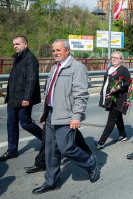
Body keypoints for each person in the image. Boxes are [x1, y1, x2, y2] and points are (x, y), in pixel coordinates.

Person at [33, 39, 98, 195]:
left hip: (66, 116)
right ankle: (52, 182)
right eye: (54, 51)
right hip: (50, 115)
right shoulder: (54, 68)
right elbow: (48, 93)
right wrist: (43, 113)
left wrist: (76, 116)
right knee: (50, 151)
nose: (55, 53)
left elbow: (81, 95)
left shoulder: (77, 68)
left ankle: (91, 162)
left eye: (58, 50)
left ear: (67, 50)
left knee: (66, 148)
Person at [0, 36, 43, 162]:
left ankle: (49, 140)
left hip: (23, 98)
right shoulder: (17, 58)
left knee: (26, 123)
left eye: (17, 44)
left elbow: (31, 80)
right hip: (13, 98)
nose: (15, 46)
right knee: (11, 125)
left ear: (25, 44)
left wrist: (27, 97)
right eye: (14, 44)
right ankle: (11, 151)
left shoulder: (31, 59)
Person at [95, 51, 131, 148]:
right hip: (111, 97)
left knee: (112, 118)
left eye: (116, 58)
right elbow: (106, 82)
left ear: (121, 60)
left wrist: (119, 87)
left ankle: (101, 141)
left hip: (119, 98)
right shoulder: (110, 68)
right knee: (117, 117)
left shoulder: (123, 69)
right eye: (113, 57)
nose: (114, 59)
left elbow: (128, 82)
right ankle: (122, 135)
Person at [24, 126, 92, 174]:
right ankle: (41, 163)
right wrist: (43, 113)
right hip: (50, 112)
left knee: (72, 133)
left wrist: (76, 116)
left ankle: (88, 156)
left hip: (64, 112)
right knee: (47, 138)